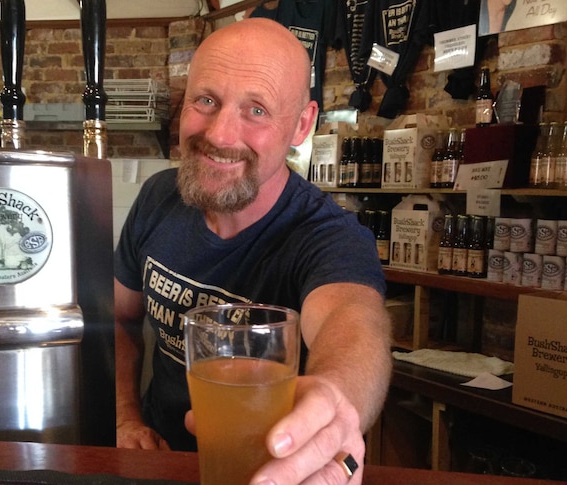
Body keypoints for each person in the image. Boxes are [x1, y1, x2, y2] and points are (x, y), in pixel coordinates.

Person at [113, 17, 392, 484]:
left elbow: (355, 323)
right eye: (206, 100)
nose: (220, 135)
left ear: (302, 124)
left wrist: (335, 395)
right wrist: (125, 418)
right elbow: (120, 318)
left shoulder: (327, 234)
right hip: (159, 462)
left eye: (256, 109)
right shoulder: (158, 197)